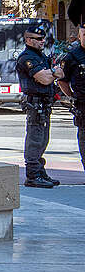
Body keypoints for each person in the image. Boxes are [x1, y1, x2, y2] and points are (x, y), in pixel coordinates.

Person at [15, 28, 61, 189]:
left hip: (44, 103)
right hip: (35, 104)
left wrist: (52, 73)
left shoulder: (40, 56)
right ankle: (33, 175)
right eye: (38, 38)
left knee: (43, 140)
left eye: (43, 38)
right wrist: (54, 72)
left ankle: (40, 171)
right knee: (35, 140)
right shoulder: (27, 57)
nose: (42, 41)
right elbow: (44, 78)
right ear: (28, 40)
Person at [57, 22, 85, 172]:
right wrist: (72, 96)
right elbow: (62, 81)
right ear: (79, 36)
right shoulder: (72, 57)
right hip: (83, 104)